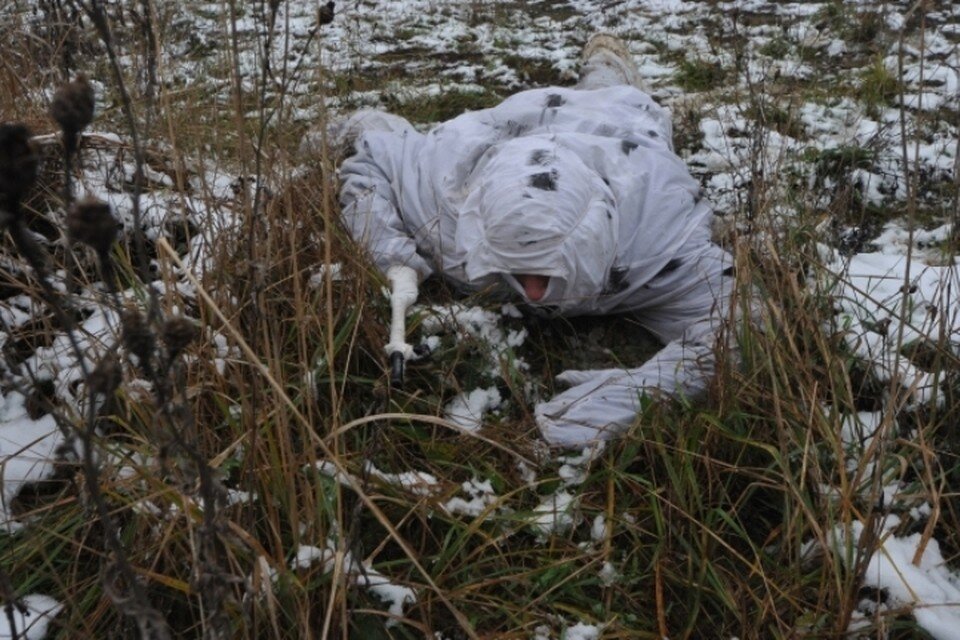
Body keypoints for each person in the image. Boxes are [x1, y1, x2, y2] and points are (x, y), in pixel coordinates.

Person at [334, 35, 736, 447]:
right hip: (501, 135)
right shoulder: (446, 208)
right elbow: (373, 160)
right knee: (367, 127)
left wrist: (638, 395)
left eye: (548, 268)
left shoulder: (660, 235)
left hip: (618, 134)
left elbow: (745, 328)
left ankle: (606, 58)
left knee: (612, 95)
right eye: (515, 266)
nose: (533, 293)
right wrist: (393, 259)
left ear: (596, 238)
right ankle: (347, 119)